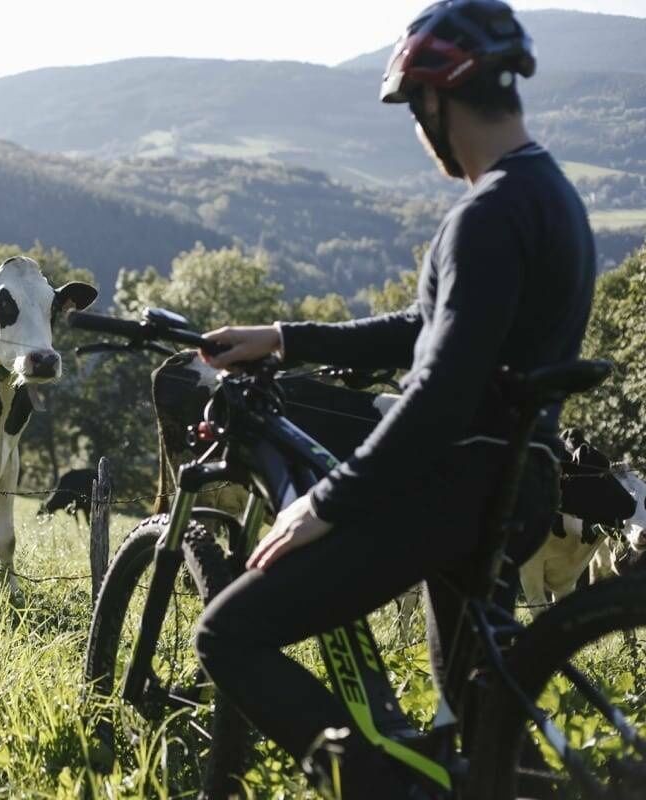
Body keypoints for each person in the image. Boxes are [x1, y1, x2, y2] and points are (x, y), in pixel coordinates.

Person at [192, 2, 595, 798]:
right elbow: (431, 328)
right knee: (484, 727)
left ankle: (377, 786)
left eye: (415, 111)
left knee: (228, 633)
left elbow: (441, 389)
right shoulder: (551, 198)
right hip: (518, 482)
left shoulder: (485, 215)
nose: (418, 130)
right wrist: (285, 336)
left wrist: (327, 504)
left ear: (436, 102)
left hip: (452, 487)